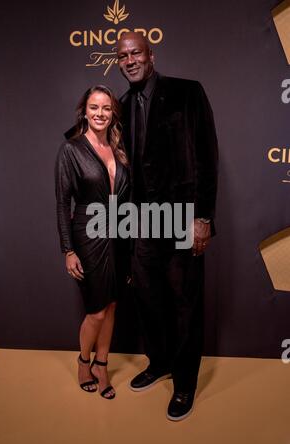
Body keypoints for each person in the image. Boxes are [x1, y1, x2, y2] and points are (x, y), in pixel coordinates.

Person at [116, 32, 218, 420]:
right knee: (149, 300)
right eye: (122, 56)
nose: (129, 61)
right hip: (141, 223)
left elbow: (207, 156)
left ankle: (185, 384)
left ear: (150, 55)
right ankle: (159, 362)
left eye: (136, 53)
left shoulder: (186, 93)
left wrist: (203, 217)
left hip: (181, 217)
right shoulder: (121, 106)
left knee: (184, 304)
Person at [55, 85, 129, 399]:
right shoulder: (71, 150)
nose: (100, 114)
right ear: (84, 111)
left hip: (119, 235)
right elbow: (62, 204)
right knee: (96, 311)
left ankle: (102, 364)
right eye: (94, 107)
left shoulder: (118, 147)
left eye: (106, 108)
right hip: (88, 234)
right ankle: (84, 362)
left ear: (113, 114)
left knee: (112, 305)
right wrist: (68, 249)